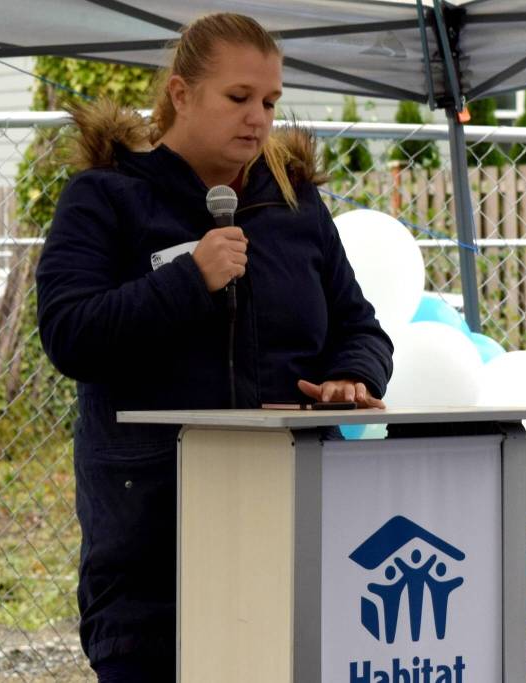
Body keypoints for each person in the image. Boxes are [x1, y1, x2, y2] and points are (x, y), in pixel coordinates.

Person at [35, 12, 394, 681]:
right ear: (180, 93)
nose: (257, 118)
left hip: (290, 528)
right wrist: (187, 280)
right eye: (238, 98)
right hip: (152, 551)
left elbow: (360, 327)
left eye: (270, 101)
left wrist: (351, 374)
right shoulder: (105, 200)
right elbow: (69, 333)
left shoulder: (296, 207)